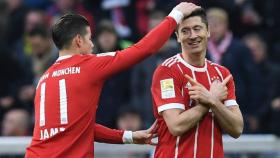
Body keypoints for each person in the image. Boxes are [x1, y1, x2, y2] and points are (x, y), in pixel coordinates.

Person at [25, 2, 201, 158]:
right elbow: (143, 49)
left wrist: (129, 137)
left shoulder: (44, 79)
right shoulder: (89, 64)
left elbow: (78, 127)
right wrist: (175, 15)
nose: (92, 45)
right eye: (89, 38)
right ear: (79, 40)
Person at [151, 8, 243, 158]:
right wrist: (210, 100)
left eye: (197, 29)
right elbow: (176, 125)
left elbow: (237, 128)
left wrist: (213, 101)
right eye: (185, 31)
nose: (192, 36)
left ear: (207, 32)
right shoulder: (167, 71)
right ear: (178, 36)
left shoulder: (222, 74)